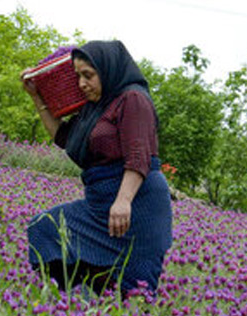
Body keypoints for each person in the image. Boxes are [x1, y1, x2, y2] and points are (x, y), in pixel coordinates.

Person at [22, 40, 173, 298]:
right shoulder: (98, 106)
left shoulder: (133, 98)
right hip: (100, 204)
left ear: (107, 70)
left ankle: (100, 314)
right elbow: (64, 138)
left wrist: (123, 201)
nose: (81, 84)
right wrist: (36, 96)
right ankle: (74, 304)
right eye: (78, 76)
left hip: (137, 204)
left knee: (135, 292)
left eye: (88, 75)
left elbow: (139, 154)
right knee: (45, 228)